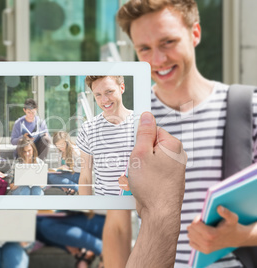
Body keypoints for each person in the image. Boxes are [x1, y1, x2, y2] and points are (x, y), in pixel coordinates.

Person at [0, 112, 188, 268]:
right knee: (37, 214)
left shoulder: (51, 156)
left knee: (46, 211)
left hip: (33, 218)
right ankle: (84, 250)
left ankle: (85, 249)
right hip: (25, 220)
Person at [105, 0, 257, 267]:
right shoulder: (129, 122)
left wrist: (241, 235)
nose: (158, 60)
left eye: (168, 42)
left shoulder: (248, 109)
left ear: (195, 33)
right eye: (144, 48)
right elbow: (118, 227)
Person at [76, 75, 134, 264]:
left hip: (137, 214)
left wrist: (135, 184)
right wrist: (86, 217)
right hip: (105, 217)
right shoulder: (88, 129)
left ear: (122, 87)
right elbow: (85, 177)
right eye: (98, 94)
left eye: (109, 92)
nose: (104, 100)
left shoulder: (142, 124)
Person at [36, 210, 105, 268]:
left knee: (41, 226)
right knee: (44, 226)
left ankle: (103, 251)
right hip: (101, 223)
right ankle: (104, 251)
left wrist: (84, 259)